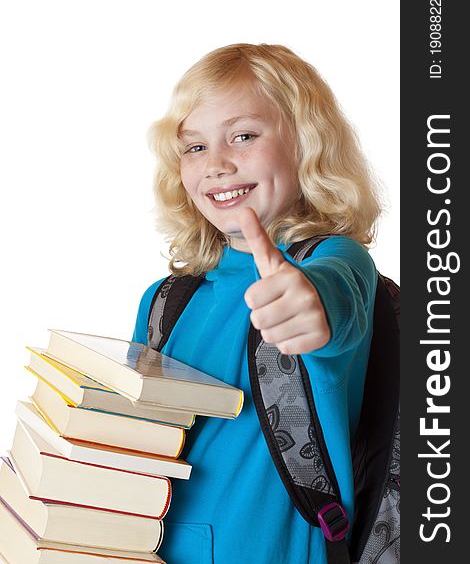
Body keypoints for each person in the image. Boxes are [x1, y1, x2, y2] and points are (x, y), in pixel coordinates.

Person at [132, 43, 382, 564]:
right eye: (194, 147)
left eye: (243, 136)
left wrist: (311, 304)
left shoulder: (337, 260)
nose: (217, 163)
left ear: (306, 144)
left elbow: (336, 295)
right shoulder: (165, 301)